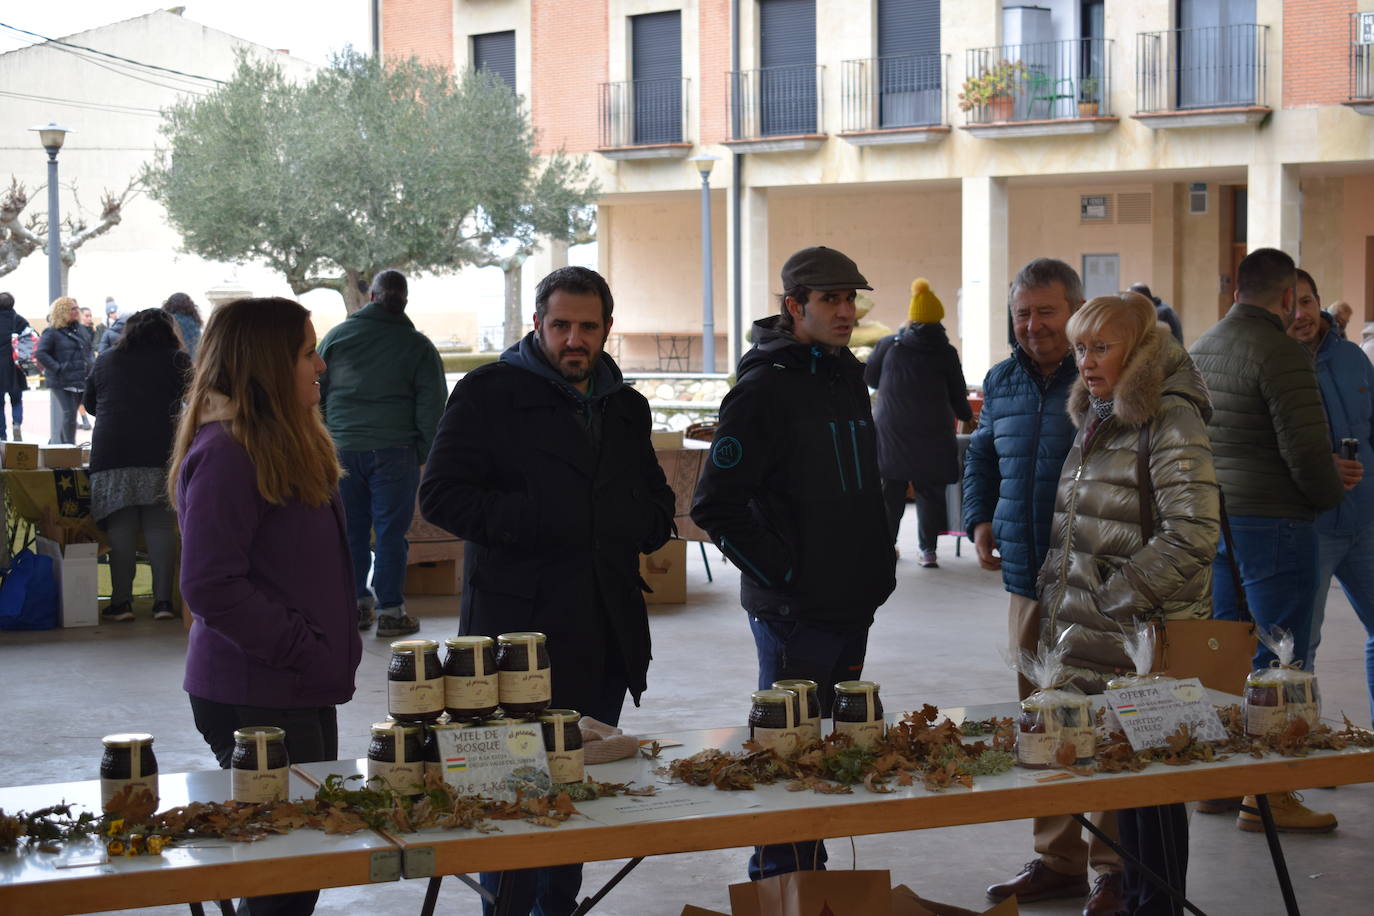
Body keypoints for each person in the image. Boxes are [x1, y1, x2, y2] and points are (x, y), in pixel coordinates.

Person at [419, 266, 673, 916]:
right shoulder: (487, 393)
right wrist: (535, 519)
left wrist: (645, 521)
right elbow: (440, 495)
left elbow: (652, 495)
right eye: (561, 325)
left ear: (607, 330)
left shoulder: (626, 406)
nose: (574, 340)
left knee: (574, 804)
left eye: (588, 327)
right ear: (537, 324)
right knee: (511, 811)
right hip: (514, 641)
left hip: (603, 632)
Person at [692, 246, 896, 882]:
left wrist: (877, 560)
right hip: (792, 614)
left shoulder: (846, 377)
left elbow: (865, 486)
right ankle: (780, 886)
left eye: (851, 299)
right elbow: (713, 505)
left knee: (827, 757)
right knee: (787, 758)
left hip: (851, 601)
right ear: (793, 306)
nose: (845, 311)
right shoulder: (762, 391)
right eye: (830, 299)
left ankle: (807, 881)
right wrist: (783, 573)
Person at [170, 297, 361, 916]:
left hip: (295, 687)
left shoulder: (280, 438)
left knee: (293, 870)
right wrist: (304, 649)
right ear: (268, 364)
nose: (321, 366)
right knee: (284, 880)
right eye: (308, 352)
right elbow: (210, 585)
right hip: (260, 691)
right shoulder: (227, 452)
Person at [1040, 293, 1219, 915]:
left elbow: (1194, 534)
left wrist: (1113, 598)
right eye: (1080, 349)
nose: (1086, 363)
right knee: (1131, 788)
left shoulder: (1170, 419)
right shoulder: (1102, 416)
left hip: (1152, 641)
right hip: (1108, 637)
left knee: (1157, 797)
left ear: (1140, 351)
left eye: (1102, 348)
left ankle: (1158, 909)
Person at [963, 259, 1123, 914]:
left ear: (1078, 309)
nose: (1032, 325)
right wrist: (977, 516)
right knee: (1044, 721)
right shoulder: (1001, 380)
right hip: (1028, 578)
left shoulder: (1107, 377)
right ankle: (1057, 857)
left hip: (1098, 581)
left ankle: (1114, 867)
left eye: (1046, 311)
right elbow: (979, 451)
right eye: (1022, 313)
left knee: (1111, 720)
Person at [1190, 247, 1345, 832]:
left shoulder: (1203, 345)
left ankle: (1218, 784)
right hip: (1276, 521)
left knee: (1228, 656)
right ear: (1286, 298)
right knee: (1283, 660)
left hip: (1219, 522)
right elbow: (1305, 451)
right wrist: (1331, 496)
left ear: (1235, 293)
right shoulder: (1281, 352)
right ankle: (1270, 796)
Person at [319, 270, 446, 638]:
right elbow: (431, 406)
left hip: (342, 449)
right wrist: (424, 452)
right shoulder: (417, 346)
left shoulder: (338, 337)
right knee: (391, 533)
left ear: (371, 297)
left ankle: (356, 604)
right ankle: (391, 611)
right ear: (403, 302)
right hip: (395, 451)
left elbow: (317, 392)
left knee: (350, 530)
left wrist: (328, 439)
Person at [1286, 269, 1374, 726]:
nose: (1299, 314)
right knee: (1301, 648)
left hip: (1365, 522)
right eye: (1289, 304)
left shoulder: (1353, 358)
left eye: (1306, 302)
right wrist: (1322, 468)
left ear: (1318, 301)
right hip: (1311, 528)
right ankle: (1309, 749)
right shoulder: (1276, 363)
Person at [84, 310, 192, 622]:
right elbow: (196, 398)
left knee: (121, 530)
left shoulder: (106, 359)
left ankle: (121, 604)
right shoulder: (177, 360)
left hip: (112, 453)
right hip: (161, 452)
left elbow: (91, 404)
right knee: (160, 528)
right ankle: (162, 603)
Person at [864, 278, 971, 567]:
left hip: (892, 431)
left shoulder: (889, 345)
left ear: (911, 318)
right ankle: (928, 551)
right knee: (929, 492)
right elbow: (957, 393)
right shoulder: (946, 352)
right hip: (932, 432)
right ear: (939, 320)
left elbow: (870, 379)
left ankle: (887, 548)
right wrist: (965, 414)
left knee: (891, 491)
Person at [36, 296, 93, 445]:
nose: (76, 311)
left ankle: (61, 446)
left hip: (78, 377)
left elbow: (87, 351)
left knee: (71, 413)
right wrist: (58, 367)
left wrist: (91, 367)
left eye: (76, 308)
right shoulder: (52, 332)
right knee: (69, 413)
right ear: (62, 311)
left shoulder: (80, 329)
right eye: (72, 309)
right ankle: (69, 447)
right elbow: (41, 353)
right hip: (60, 380)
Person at [0, 292, 30, 441]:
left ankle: (2, 435)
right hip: (16, 367)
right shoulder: (18, 320)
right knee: (16, 400)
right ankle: (17, 424)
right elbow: (31, 339)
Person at [162, 292, 204, 360]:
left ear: (169, 304)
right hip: (193, 362)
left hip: (176, 361)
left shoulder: (170, 320)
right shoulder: (195, 322)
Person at [76, 307, 96, 430]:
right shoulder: (78, 330)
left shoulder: (92, 330)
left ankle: (84, 419)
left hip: (90, 365)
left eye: (90, 315)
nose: (89, 318)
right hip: (81, 367)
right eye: (86, 316)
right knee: (80, 395)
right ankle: (84, 419)